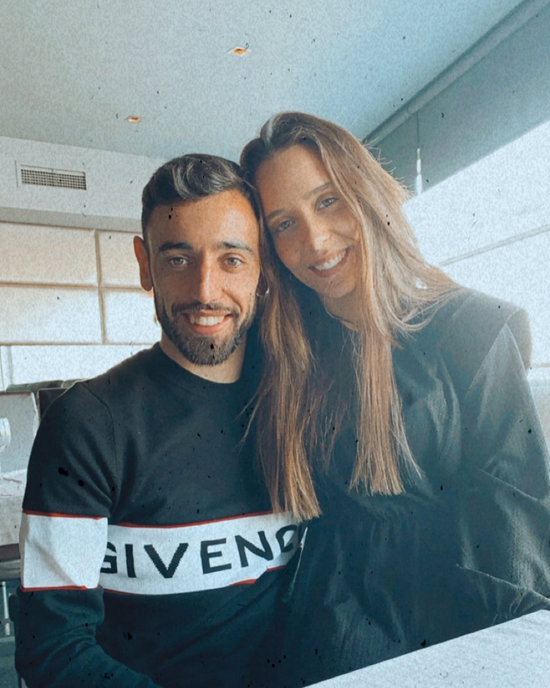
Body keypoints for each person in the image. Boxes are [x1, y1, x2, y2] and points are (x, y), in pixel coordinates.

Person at [240, 112, 550, 685]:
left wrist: (504, 655)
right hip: (332, 618)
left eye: (328, 201)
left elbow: (516, 508)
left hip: (464, 608)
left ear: (368, 194)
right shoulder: (285, 352)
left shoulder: (472, 328)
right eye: (284, 224)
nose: (315, 240)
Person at [16, 154, 301, 688]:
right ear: (145, 264)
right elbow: (52, 649)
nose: (205, 290)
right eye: (178, 258)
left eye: (231, 259)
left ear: (262, 266)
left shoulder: (298, 400)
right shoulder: (87, 424)